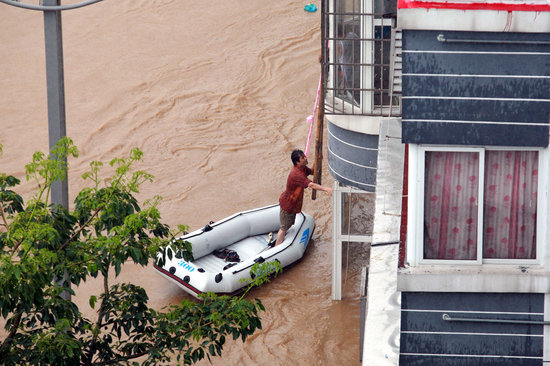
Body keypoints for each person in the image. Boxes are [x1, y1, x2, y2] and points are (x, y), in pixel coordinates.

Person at [274, 149, 332, 246]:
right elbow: (311, 185)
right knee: (284, 228)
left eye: (304, 156)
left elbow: (313, 172)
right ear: (297, 161)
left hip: (293, 202)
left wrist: (316, 160)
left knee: (287, 225)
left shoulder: (303, 168)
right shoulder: (297, 174)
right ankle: (276, 247)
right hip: (288, 203)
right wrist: (327, 189)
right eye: (303, 158)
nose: (305, 158)